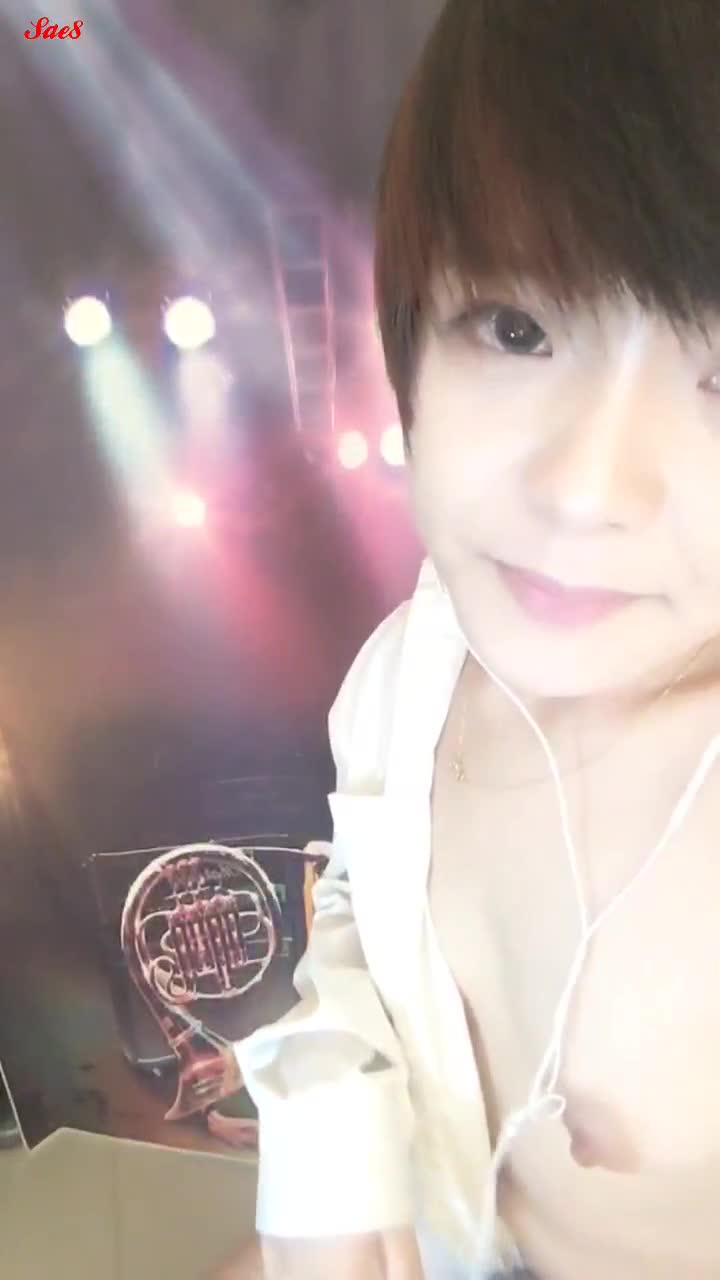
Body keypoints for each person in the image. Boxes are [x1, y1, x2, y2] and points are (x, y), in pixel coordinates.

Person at [223, 2, 720, 1276]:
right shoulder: (411, 667)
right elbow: (365, 897)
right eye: (516, 326)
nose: (585, 488)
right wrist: (330, 1139)